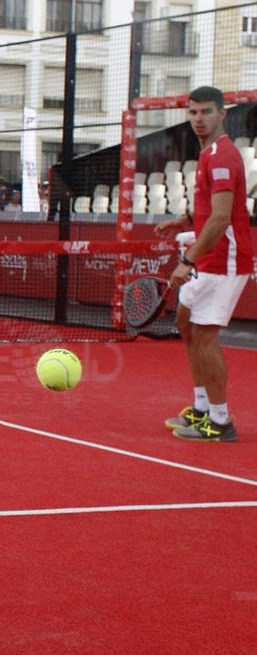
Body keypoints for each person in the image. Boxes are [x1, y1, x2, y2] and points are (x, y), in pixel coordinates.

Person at [154, 85, 253, 442]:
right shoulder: (208, 154)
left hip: (224, 260)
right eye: (193, 112)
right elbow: (210, 209)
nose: (198, 119)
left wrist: (186, 260)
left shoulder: (223, 155)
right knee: (185, 321)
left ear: (222, 114)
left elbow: (222, 218)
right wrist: (185, 221)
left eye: (206, 112)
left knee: (206, 334)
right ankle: (201, 407)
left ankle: (221, 421)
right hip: (208, 257)